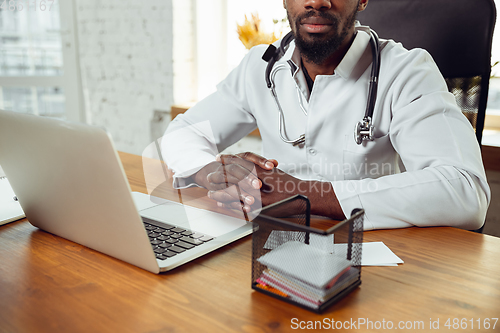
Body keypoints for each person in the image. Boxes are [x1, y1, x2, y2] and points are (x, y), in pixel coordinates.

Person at [162, 0, 490, 230]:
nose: (316, 1)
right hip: (268, 241)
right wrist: (209, 170)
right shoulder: (260, 65)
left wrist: (308, 195)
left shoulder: (406, 70)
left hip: (369, 252)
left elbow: (465, 190)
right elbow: (184, 131)